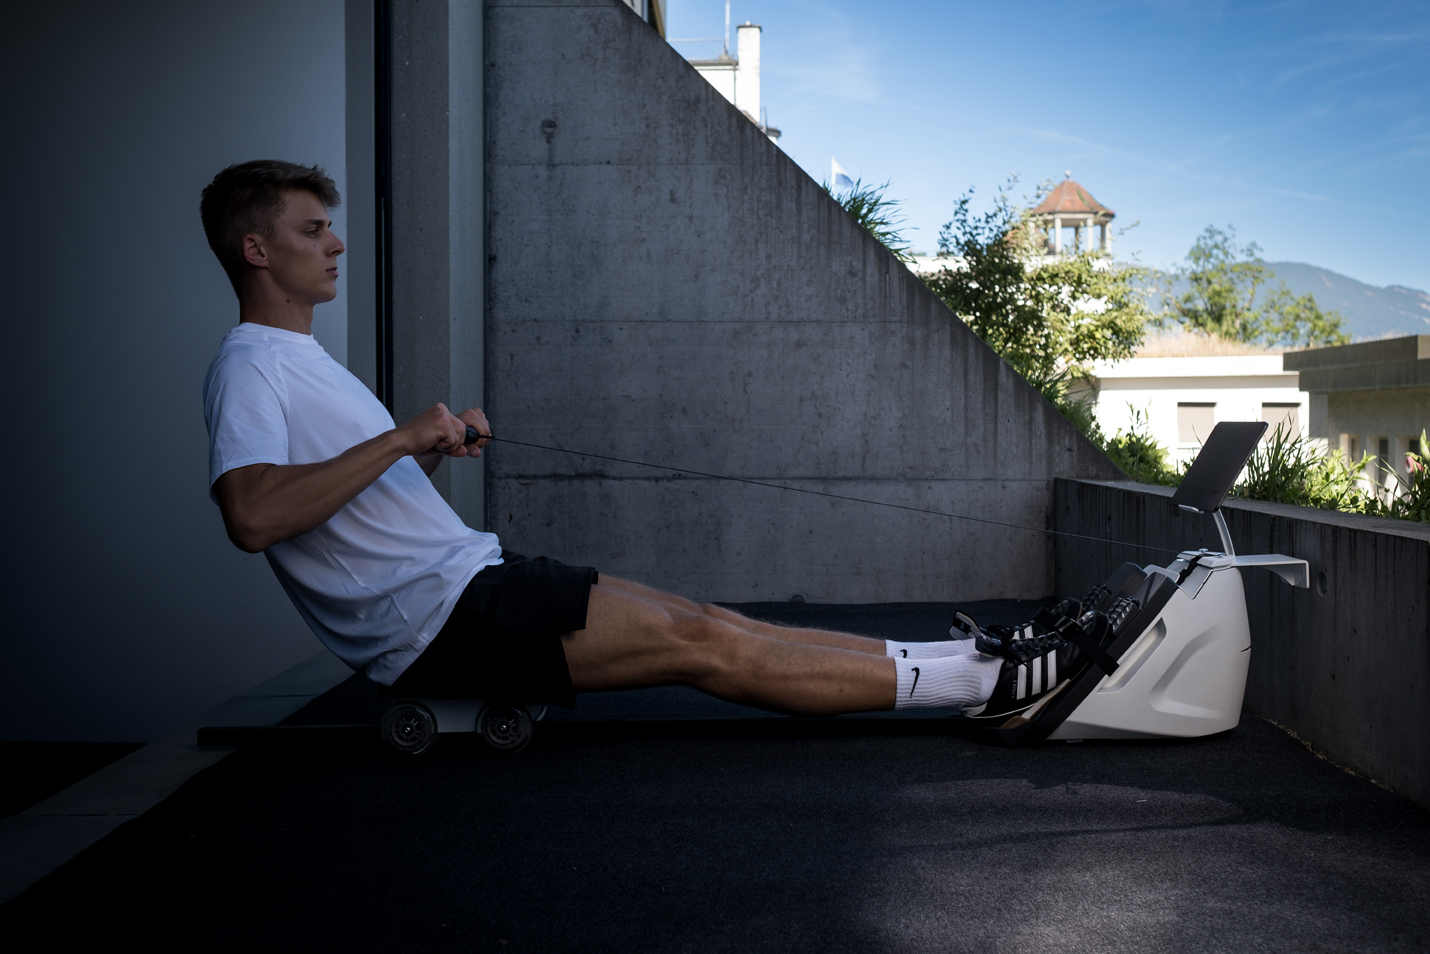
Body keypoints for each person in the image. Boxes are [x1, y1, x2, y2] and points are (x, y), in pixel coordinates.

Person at [200, 160, 1102, 724]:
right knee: (705, 647)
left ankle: (978, 659)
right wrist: (403, 437)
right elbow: (252, 516)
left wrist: (429, 449)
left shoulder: (300, 358)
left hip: (471, 579)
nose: (337, 244)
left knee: (717, 622)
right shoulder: (249, 365)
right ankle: (987, 688)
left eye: (330, 226)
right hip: (439, 621)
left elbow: (348, 502)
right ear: (256, 250)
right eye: (312, 230)